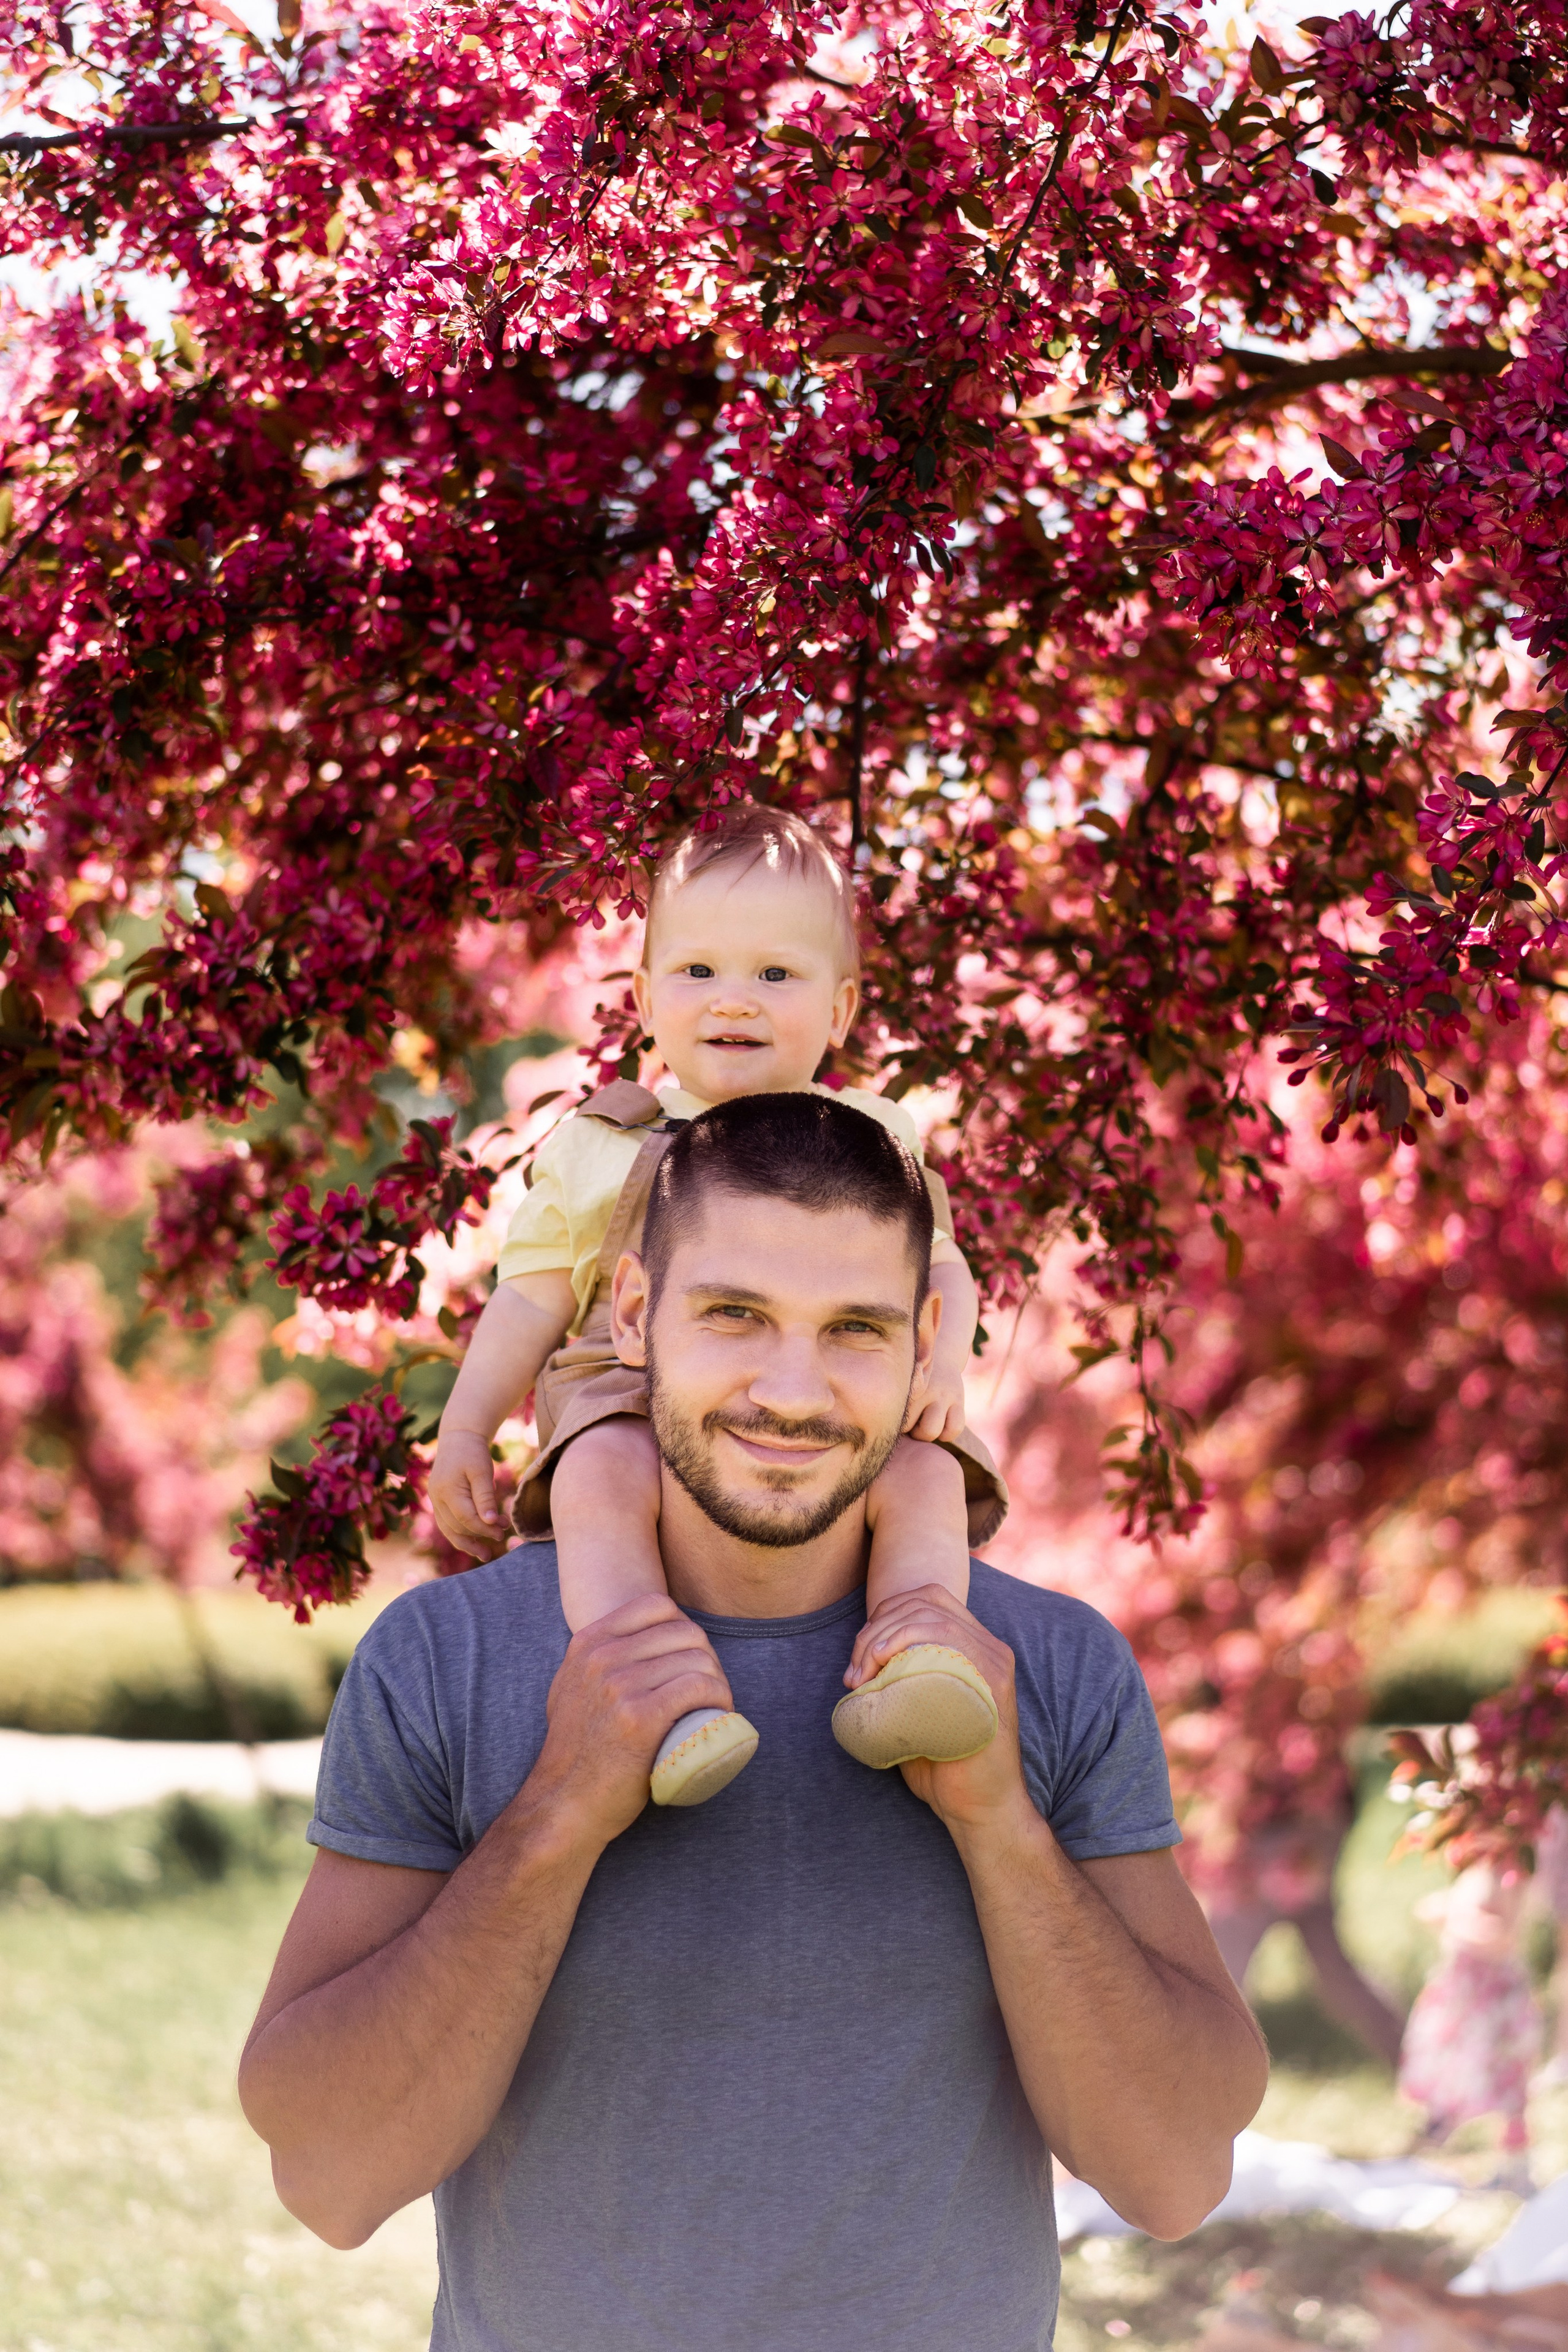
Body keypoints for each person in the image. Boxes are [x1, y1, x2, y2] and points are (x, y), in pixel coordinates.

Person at [239, 1093, 1268, 2352]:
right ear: (632, 1314)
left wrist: (1000, 1826)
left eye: (854, 1331)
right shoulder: (447, 1658)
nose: (792, 1391)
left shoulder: (1044, 1667)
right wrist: (558, 1812)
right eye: (735, 1315)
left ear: (925, 1341)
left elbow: (1174, 2174)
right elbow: (331, 2175)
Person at [430, 802, 1010, 1805]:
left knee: (923, 1471)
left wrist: (943, 1366)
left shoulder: (874, 1137)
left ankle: (913, 1655)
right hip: (623, 1386)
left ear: (840, 1009)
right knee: (599, 1472)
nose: (734, 1000)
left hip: (828, 1384)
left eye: (775, 975)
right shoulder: (602, 1142)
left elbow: (945, 1270)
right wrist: (467, 1428)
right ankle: (656, 1694)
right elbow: (528, 1301)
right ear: (646, 996)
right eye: (698, 971)